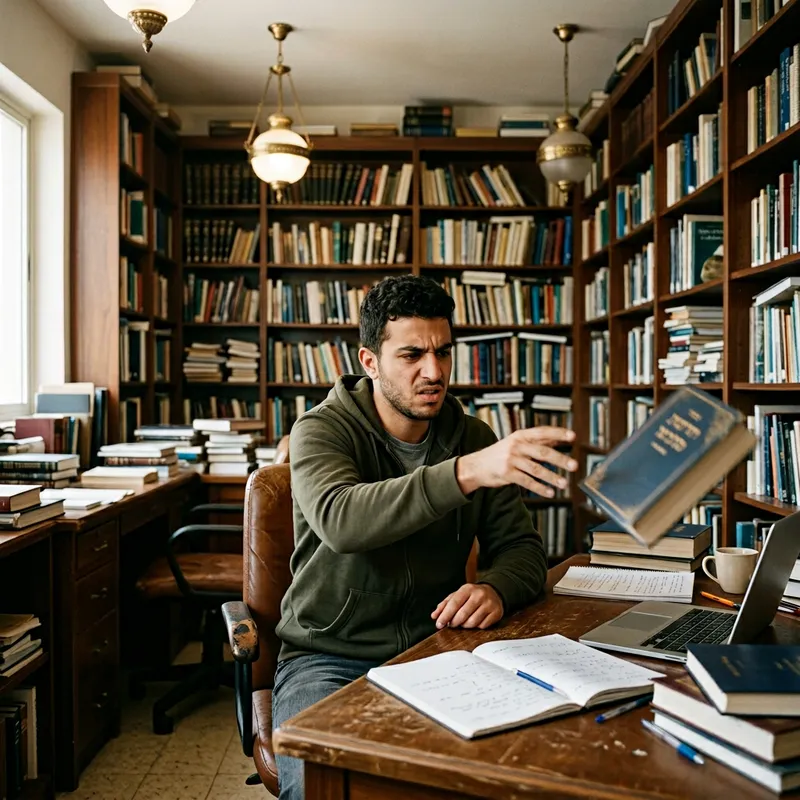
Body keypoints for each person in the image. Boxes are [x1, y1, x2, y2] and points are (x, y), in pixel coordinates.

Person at [272, 275, 577, 799]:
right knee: (322, 779)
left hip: (440, 650)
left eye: (442, 353)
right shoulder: (320, 430)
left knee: (524, 768)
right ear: (370, 362)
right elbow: (342, 521)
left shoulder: (472, 438)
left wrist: (496, 588)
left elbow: (523, 550)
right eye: (411, 355)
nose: (433, 372)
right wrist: (466, 473)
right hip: (326, 656)